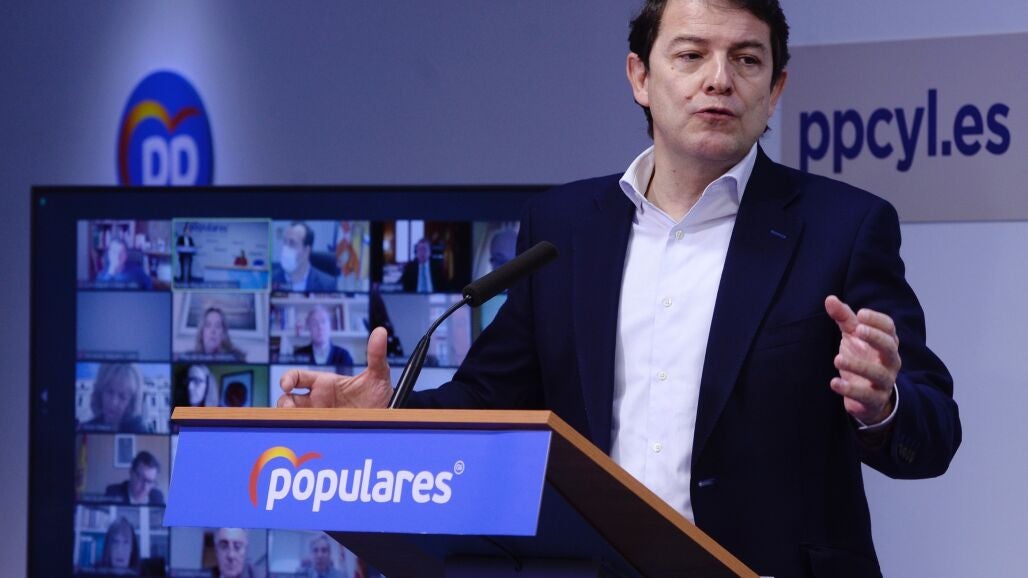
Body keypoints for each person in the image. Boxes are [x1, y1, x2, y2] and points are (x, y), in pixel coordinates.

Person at [278, 1, 961, 575]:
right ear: (641, 76)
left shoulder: (843, 227)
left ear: (776, 88)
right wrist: (389, 415)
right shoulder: (565, 227)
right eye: (691, 55)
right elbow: (491, 398)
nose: (719, 79)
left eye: (747, 60)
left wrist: (883, 405)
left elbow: (934, 433)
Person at [81, 363, 150, 433]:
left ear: (131, 403)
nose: (114, 402)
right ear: (100, 392)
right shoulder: (85, 429)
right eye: (110, 392)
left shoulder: (140, 433)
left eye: (122, 397)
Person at [273, 222, 337, 292]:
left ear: (307, 251)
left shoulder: (327, 285)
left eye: (292, 243)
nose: (285, 248)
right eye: (284, 242)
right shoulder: (271, 280)